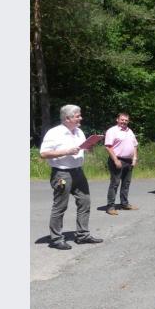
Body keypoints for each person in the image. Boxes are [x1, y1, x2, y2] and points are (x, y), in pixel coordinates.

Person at [39, 104, 103, 250]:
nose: (81, 118)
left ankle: (83, 235)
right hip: (62, 173)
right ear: (67, 118)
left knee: (85, 202)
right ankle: (56, 239)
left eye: (80, 115)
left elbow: (82, 148)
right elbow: (43, 154)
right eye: (77, 116)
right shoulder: (54, 133)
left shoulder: (79, 131)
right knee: (60, 205)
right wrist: (66, 151)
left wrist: (89, 147)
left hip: (78, 172)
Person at [104, 112, 139, 215]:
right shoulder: (112, 131)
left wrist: (135, 158)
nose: (124, 122)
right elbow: (108, 146)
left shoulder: (129, 131)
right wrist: (115, 160)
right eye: (122, 119)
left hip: (129, 161)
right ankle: (110, 207)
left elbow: (135, 145)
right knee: (115, 183)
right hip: (117, 160)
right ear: (117, 119)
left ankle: (124, 204)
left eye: (126, 120)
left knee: (126, 183)